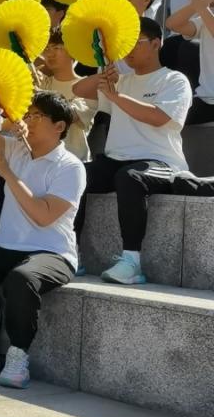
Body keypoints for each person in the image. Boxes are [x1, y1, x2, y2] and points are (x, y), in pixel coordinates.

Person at [0, 91, 85, 388]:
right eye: (28, 114)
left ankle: (18, 355)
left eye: (37, 116)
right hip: (6, 246)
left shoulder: (71, 166)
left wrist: (8, 174)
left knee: (21, 279)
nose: (29, 121)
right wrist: (8, 122)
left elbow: (43, 216)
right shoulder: (15, 148)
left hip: (52, 252)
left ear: (59, 126)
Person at [72, 17, 191, 284]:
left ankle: (132, 261)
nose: (129, 50)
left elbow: (158, 117)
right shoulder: (121, 81)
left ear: (156, 44)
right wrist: (104, 74)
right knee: (76, 173)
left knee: (129, 177)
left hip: (161, 161)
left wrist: (115, 96)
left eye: (136, 43)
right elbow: (78, 89)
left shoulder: (174, 80)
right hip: (117, 159)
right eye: (125, 45)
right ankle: (71, 252)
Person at [38, 32, 98, 162]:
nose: (50, 54)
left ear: (73, 51)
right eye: (47, 49)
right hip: (41, 157)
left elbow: (70, 115)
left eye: (56, 48)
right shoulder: (41, 83)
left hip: (73, 159)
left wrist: (39, 97)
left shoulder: (88, 86)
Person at [165, 0, 214, 124]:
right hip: (205, 99)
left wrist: (202, 6)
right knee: (165, 118)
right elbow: (172, 24)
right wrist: (196, 4)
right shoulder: (207, 16)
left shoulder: (207, 15)